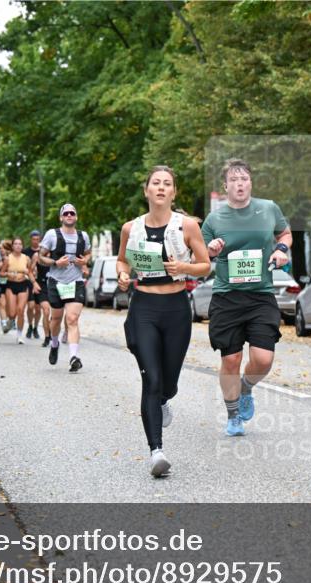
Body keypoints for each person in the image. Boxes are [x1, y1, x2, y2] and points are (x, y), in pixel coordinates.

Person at [117, 166, 210, 477]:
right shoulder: (131, 228)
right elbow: (122, 260)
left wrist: (183, 265)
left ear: (173, 193)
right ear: (146, 191)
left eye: (166, 184)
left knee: (168, 383)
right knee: (151, 380)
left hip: (176, 308)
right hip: (143, 306)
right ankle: (156, 451)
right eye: (155, 183)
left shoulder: (187, 226)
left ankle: (166, 398)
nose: (160, 188)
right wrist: (121, 274)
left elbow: (205, 266)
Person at [202, 158, 292, 437]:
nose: (239, 184)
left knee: (263, 359)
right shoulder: (214, 219)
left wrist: (280, 249)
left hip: (260, 295)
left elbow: (286, 233)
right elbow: (201, 257)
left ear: (251, 182)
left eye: (244, 179)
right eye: (233, 180)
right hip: (227, 296)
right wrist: (212, 250)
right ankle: (233, 416)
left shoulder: (268, 209)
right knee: (231, 359)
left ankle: (246, 389)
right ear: (225, 186)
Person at [37, 204, 92, 369]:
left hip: (75, 281)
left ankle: (74, 357)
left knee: (72, 319)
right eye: (66, 213)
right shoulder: (52, 235)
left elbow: (88, 252)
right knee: (56, 319)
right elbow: (40, 257)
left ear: (76, 217)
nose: (69, 215)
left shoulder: (83, 235)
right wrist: (55, 262)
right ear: (61, 217)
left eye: (72, 213)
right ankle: (54, 344)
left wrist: (85, 261)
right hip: (56, 281)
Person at [2, 237, 33, 345]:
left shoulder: (26, 258)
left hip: (23, 285)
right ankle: (10, 321)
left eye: (20, 244)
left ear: (22, 246)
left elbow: (30, 272)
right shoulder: (7, 258)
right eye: (16, 244)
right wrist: (8, 274)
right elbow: (1, 273)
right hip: (11, 285)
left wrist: (32, 279)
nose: (18, 246)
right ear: (12, 246)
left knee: (20, 310)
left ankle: (19, 336)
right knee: (11, 313)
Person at [23, 230, 43, 340]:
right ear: (30, 239)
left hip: (40, 281)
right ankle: (30, 325)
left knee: (38, 308)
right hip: (29, 281)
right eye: (33, 239)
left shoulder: (43, 251)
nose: (35, 241)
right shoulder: (25, 252)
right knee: (30, 306)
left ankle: (35, 327)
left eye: (37, 239)